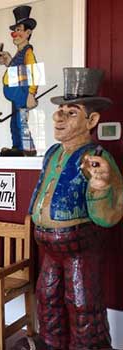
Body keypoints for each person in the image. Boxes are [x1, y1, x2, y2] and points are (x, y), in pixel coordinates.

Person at [25, 68, 123, 350]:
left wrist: (101, 185)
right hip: (49, 247)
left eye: (71, 112)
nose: (59, 117)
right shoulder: (53, 154)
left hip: (80, 246)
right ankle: (52, 345)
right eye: (60, 111)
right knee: (47, 298)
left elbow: (109, 215)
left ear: (91, 120)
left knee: (83, 304)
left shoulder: (98, 158)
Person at [0, 5, 38, 156]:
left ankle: (27, 148)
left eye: (19, 29)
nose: (15, 33)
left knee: (21, 122)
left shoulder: (28, 52)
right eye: (15, 30)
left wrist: (31, 94)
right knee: (14, 122)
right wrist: (7, 60)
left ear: (28, 32)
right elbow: (17, 71)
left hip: (22, 94)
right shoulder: (19, 53)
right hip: (16, 95)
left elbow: (34, 73)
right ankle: (17, 147)